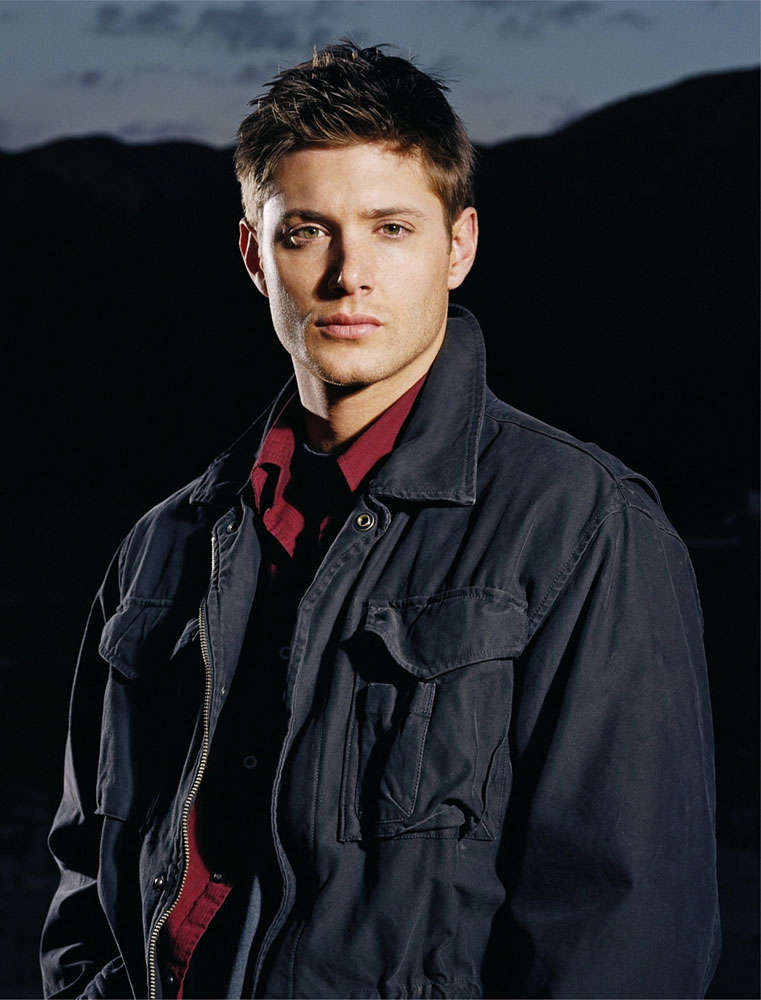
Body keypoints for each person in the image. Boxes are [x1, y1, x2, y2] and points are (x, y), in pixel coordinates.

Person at [41, 43, 720, 1000]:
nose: (347, 274)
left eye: (391, 228)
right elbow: (86, 874)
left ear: (458, 246)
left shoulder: (582, 527)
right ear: (255, 257)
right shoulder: (163, 546)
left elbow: (621, 934)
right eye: (305, 232)